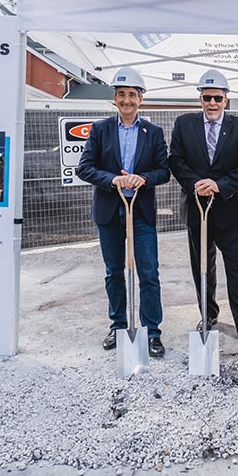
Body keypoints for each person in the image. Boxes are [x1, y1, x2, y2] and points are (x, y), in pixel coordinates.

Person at [76, 67, 169, 356]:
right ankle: (117, 326)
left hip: (140, 212)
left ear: (141, 99)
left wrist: (143, 178)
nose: (127, 100)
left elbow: (164, 171)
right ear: (114, 99)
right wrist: (113, 179)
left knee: (149, 273)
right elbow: (84, 168)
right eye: (121, 95)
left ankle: (152, 332)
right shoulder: (101, 130)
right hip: (109, 211)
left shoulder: (153, 132)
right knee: (114, 272)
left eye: (132, 94)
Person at [168, 69, 238, 351]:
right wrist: (197, 184)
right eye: (206, 97)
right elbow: (175, 160)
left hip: (230, 211)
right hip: (197, 209)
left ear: (226, 99)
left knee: (236, 268)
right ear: (200, 99)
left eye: (217, 98)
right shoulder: (183, 125)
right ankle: (207, 316)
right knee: (202, 268)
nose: (211, 103)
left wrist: (218, 185)